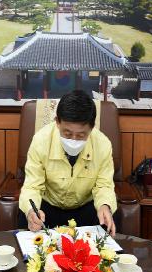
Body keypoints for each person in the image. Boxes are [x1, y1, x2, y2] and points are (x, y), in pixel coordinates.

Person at [18, 90, 117, 235]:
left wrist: (105, 205)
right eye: (67, 133)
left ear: (91, 127)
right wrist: (31, 211)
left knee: (106, 222)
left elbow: (104, 185)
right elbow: (32, 186)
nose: (74, 140)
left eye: (81, 135)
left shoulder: (102, 144)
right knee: (28, 218)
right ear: (57, 122)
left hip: (86, 209)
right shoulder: (41, 141)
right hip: (48, 209)